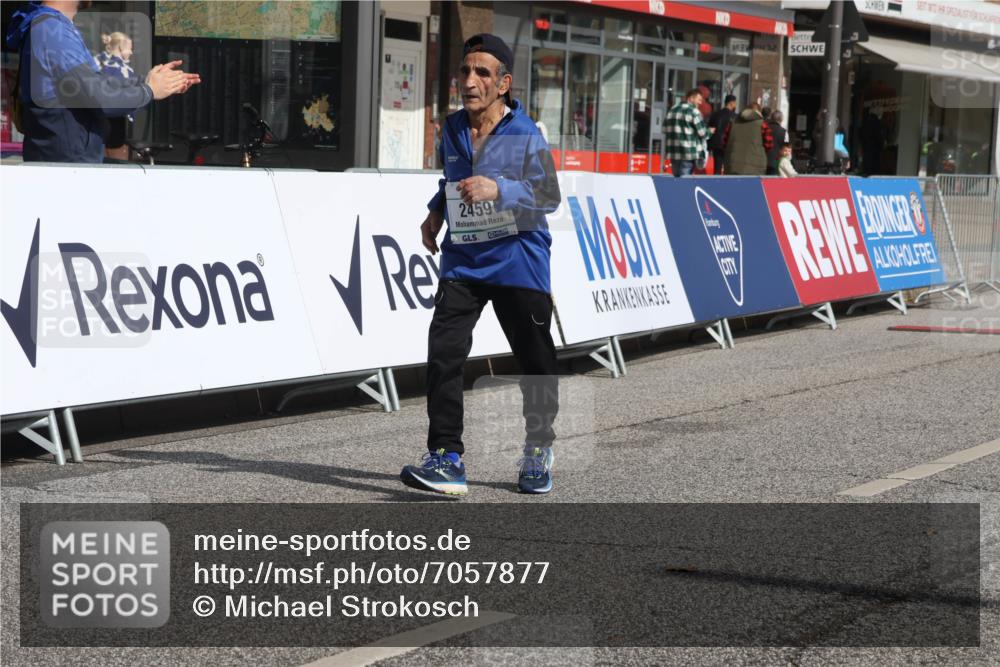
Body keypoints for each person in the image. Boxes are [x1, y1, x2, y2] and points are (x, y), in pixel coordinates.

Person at [401, 34, 561, 496]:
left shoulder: (525, 134)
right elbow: (453, 177)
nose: (469, 82)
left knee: (535, 360)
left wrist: (499, 190)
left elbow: (548, 197)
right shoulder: (452, 127)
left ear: (504, 83)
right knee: (444, 354)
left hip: (518, 261)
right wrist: (436, 209)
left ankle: (538, 446)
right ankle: (447, 457)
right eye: (465, 72)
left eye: (482, 73)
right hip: (464, 261)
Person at [5, 0, 200, 163]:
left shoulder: (54, 27)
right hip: (67, 168)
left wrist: (145, 82)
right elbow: (98, 97)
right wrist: (148, 91)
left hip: (67, 163)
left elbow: (94, 84)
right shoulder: (52, 30)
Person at [95, 31, 135, 161]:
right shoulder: (124, 69)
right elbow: (130, 95)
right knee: (118, 163)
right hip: (116, 120)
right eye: (130, 49)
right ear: (121, 48)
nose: (131, 52)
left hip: (95, 119)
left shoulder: (97, 61)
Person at [664, 88, 708, 177]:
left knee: (676, 179)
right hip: (688, 153)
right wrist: (709, 131)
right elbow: (703, 133)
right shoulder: (694, 111)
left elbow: (664, 129)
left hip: (674, 152)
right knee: (685, 181)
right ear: (691, 98)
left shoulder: (672, 110)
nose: (700, 103)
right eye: (699, 100)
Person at [722, 103, 773, 176]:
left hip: (732, 166)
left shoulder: (732, 123)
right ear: (759, 112)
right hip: (755, 167)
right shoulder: (762, 124)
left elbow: (724, 142)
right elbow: (769, 145)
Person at [707, 94, 736, 175]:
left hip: (716, 144)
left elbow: (710, 128)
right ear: (732, 103)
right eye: (735, 103)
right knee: (728, 168)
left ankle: (716, 183)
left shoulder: (715, 114)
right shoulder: (734, 116)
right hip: (728, 144)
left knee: (717, 167)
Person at [766, 110, 787, 175]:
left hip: (763, 161)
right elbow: (786, 148)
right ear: (781, 119)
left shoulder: (764, 129)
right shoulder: (784, 132)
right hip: (776, 162)